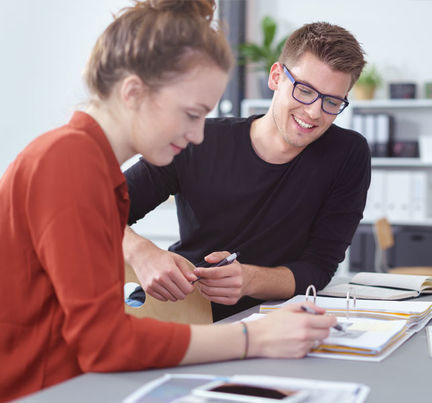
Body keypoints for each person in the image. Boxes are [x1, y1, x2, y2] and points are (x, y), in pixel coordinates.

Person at [0, 1, 336, 400]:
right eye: (192, 114)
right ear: (133, 92)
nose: (197, 135)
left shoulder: (94, 167)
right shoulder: (68, 162)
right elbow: (105, 343)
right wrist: (254, 337)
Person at [124, 21, 371, 321]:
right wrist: (140, 252)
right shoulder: (197, 139)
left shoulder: (347, 155)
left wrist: (250, 280)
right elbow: (94, 210)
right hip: (174, 310)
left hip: (265, 321)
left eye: (332, 101)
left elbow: (318, 268)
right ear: (277, 77)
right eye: (305, 91)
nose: (314, 112)